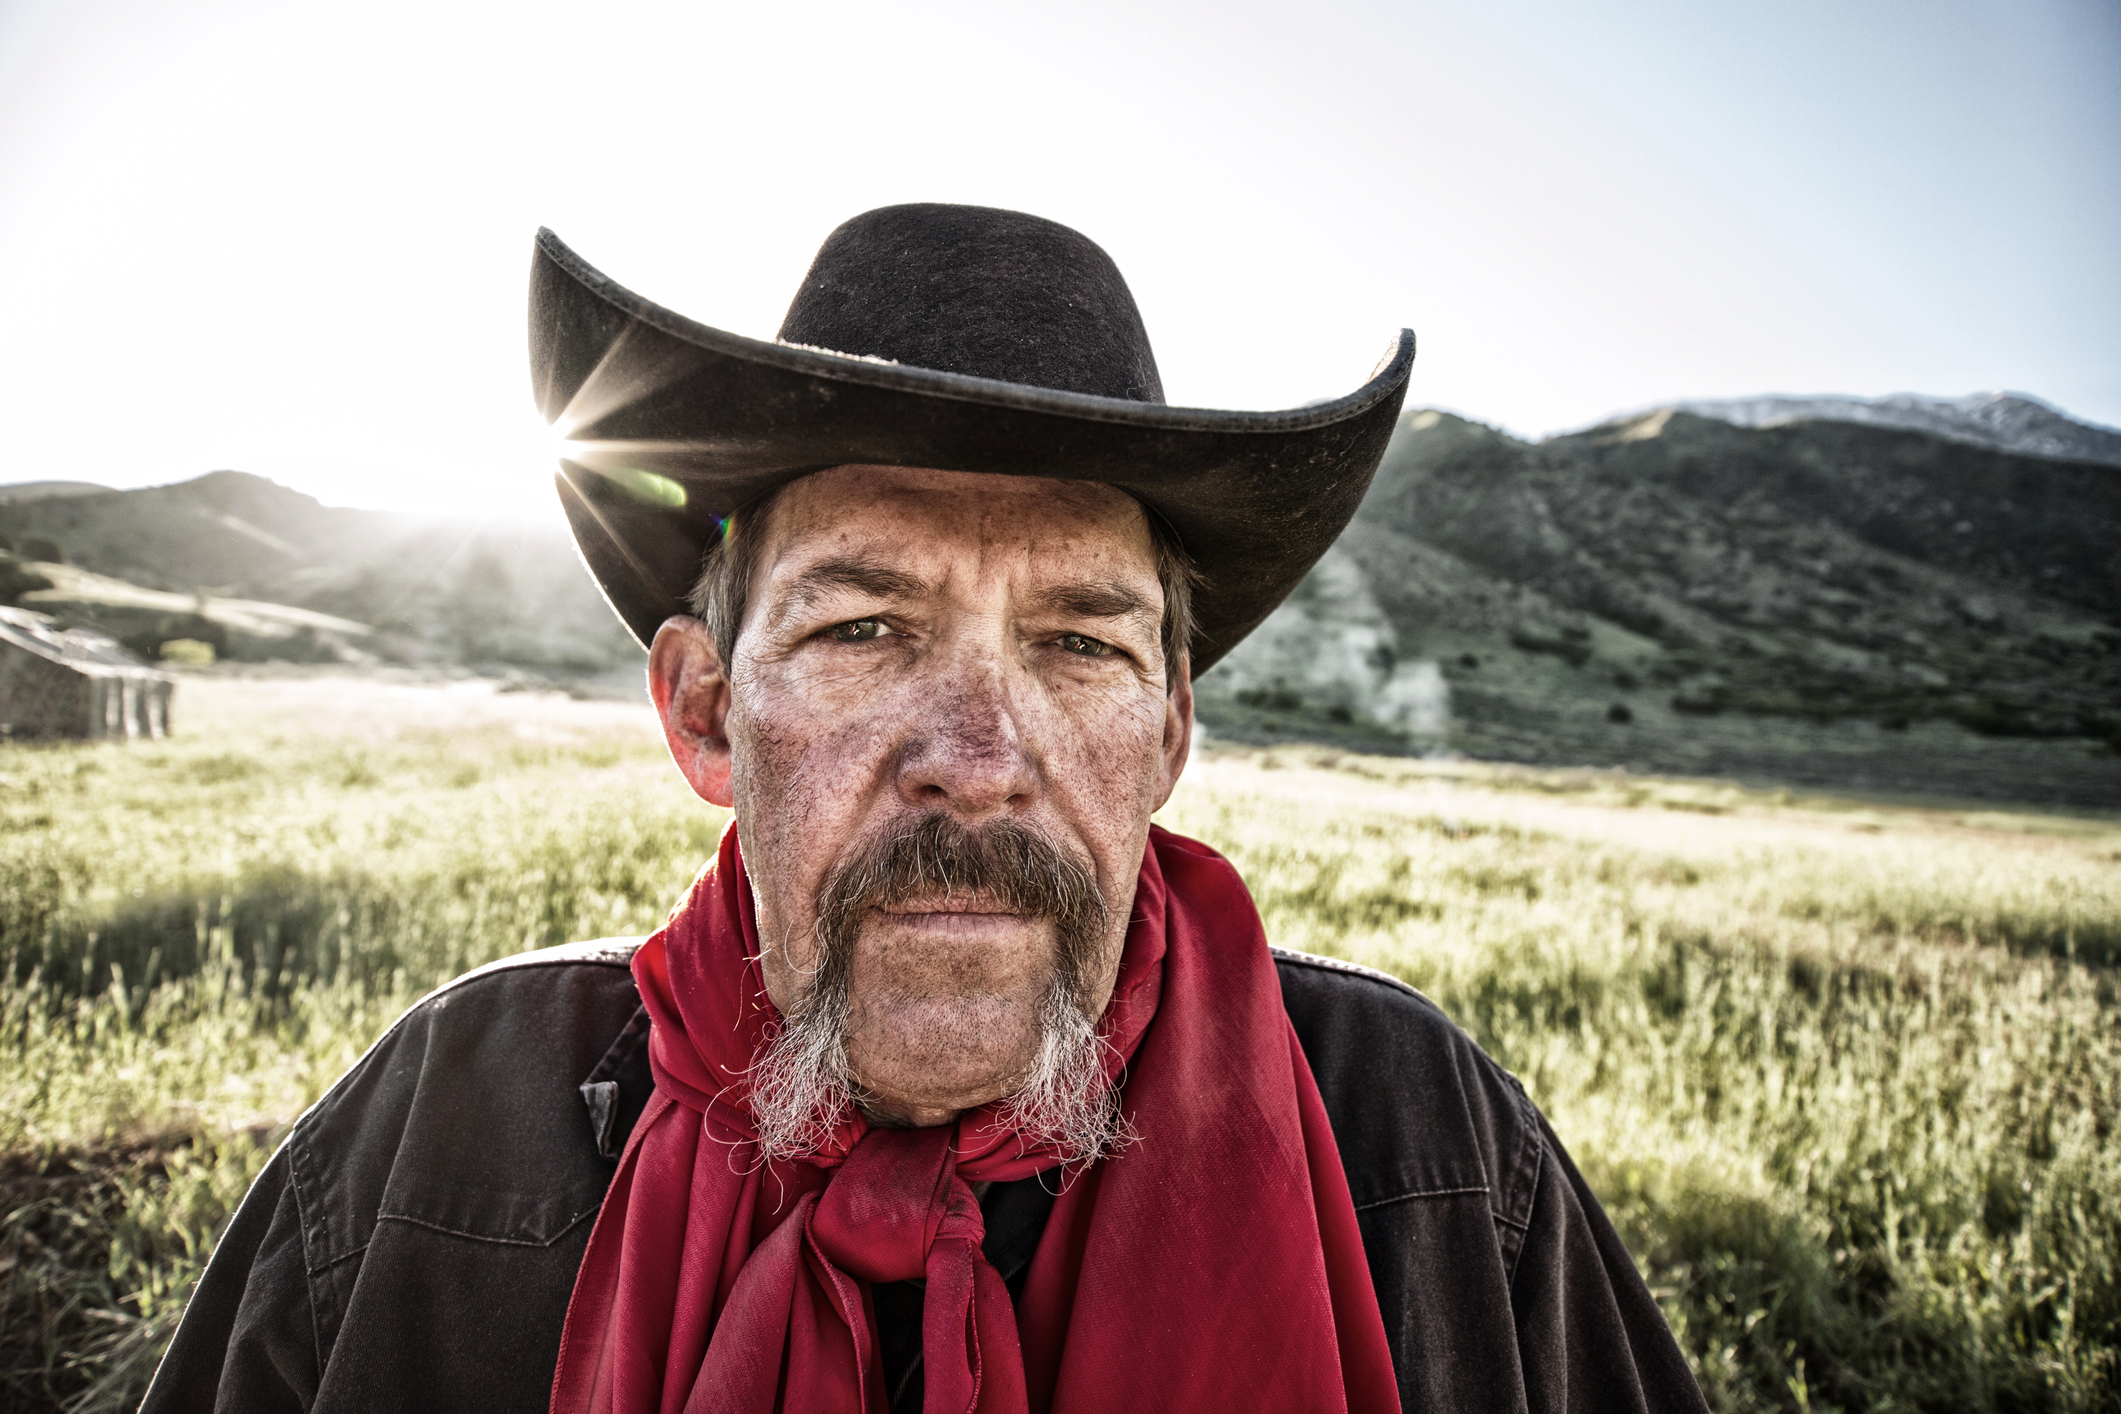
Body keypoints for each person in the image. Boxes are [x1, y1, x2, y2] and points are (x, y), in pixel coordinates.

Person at [143, 205, 1707, 1414]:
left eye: (1079, 644)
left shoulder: (1419, 1143)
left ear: (1165, 735)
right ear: (702, 711)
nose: (976, 753)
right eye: (861, 628)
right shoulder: (450, 1115)